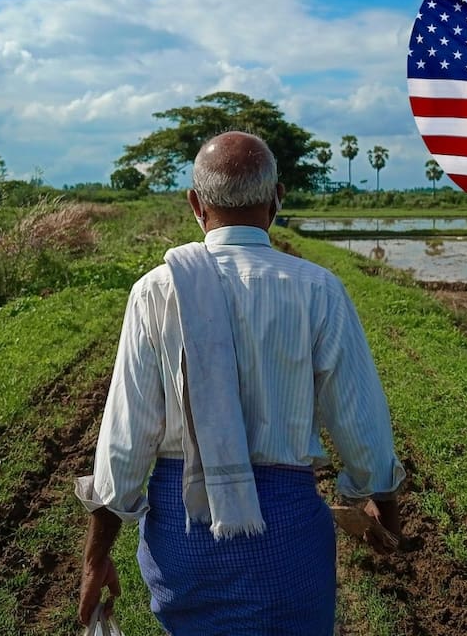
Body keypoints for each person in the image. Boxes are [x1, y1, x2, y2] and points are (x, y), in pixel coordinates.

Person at [75, 131, 404, 634]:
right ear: (276, 199)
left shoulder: (155, 291)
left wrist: (96, 556)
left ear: (195, 204)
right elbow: (360, 421)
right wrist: (379, 499)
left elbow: (124, 444)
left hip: (183, 541)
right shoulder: (317, 289)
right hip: (287, 538)